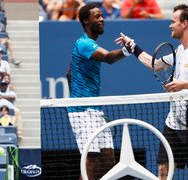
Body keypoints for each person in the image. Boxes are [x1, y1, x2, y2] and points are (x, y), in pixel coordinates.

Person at [117, 4, 188, 179]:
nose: (170, 25)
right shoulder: (179, 50)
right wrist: (133, 46)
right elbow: (154, 64)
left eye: (173, 22)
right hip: (173, 123)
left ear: (184, 23)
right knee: (164, 168)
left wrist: (183, 85)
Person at [67, 4, 134, 179]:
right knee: (92, 158)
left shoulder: (88, 45)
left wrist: (74, 95)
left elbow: (69, 73)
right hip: (81, 111)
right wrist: (128, 50)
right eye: (97, 16)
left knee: (108, 159)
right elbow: (108, 58)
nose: (102, 19)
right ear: (86, 20)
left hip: (94, 109)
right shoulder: (84, 44)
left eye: (102, 15)